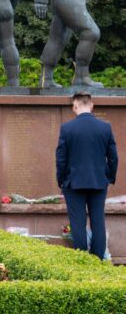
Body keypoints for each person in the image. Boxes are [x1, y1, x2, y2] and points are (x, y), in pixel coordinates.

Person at [56, 92, 118, 259]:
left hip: (73, 183)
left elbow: (61, 158)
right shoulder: (105, 128)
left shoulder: (67, 128)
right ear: (91, 106)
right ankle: (97, 261)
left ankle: (82, 260)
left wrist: (61, 180)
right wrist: (110, 177)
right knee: (98, 221)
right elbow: (113, 156)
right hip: (98, 182)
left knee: (78, 224)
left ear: (74, 106)